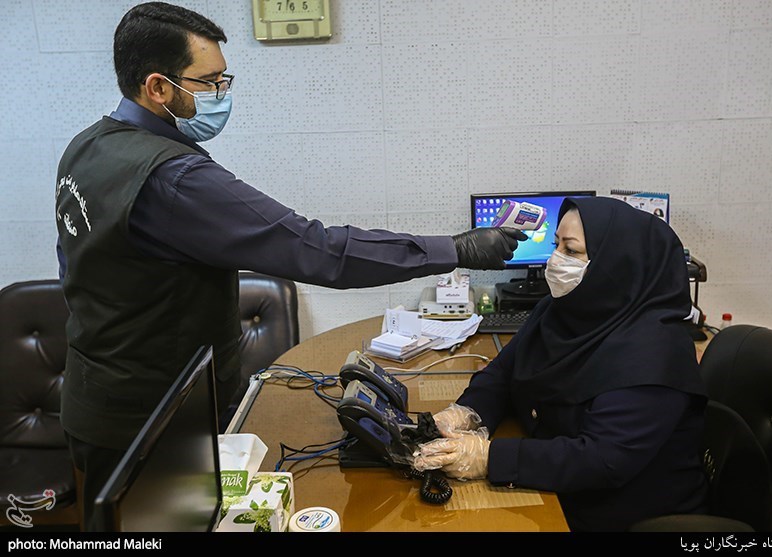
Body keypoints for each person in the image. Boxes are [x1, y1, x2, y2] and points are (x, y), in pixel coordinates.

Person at [54, 2, 526, 529]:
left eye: (224, 78)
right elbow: (318, 249)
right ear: (158, 87)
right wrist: (456, 249)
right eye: (208, 82)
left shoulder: (88, 147)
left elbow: (80, 268)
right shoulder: (173, 179)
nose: (221, 93)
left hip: (96, 398)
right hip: (157, 418)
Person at [413, 196, 709, 532]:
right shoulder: (558, 312)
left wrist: (488, 457)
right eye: (556, 246)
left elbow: (602, 459)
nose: (555, 260)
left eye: (571, 250)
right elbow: (503, 373)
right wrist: (467, 414)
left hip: (619, 514)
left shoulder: (657, 352)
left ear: (616, 263)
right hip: (559, 491)